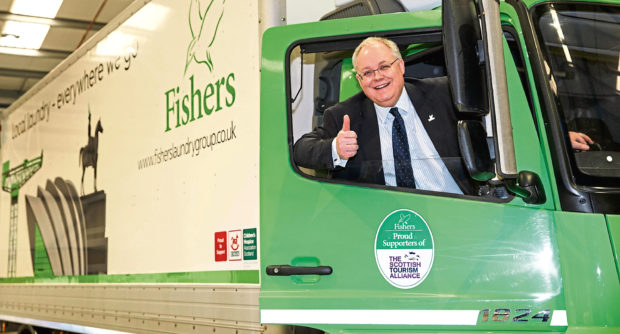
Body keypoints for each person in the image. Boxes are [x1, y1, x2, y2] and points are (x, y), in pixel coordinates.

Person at [293, 37, 472, 194]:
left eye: (384, 66)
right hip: (387, 221)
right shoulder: (344, 116)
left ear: (400, 66)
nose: (377, 77)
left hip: (453, 207)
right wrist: (335, 149)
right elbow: (300, 150)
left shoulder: (444, 93)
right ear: (359, 80)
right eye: (368, 73)